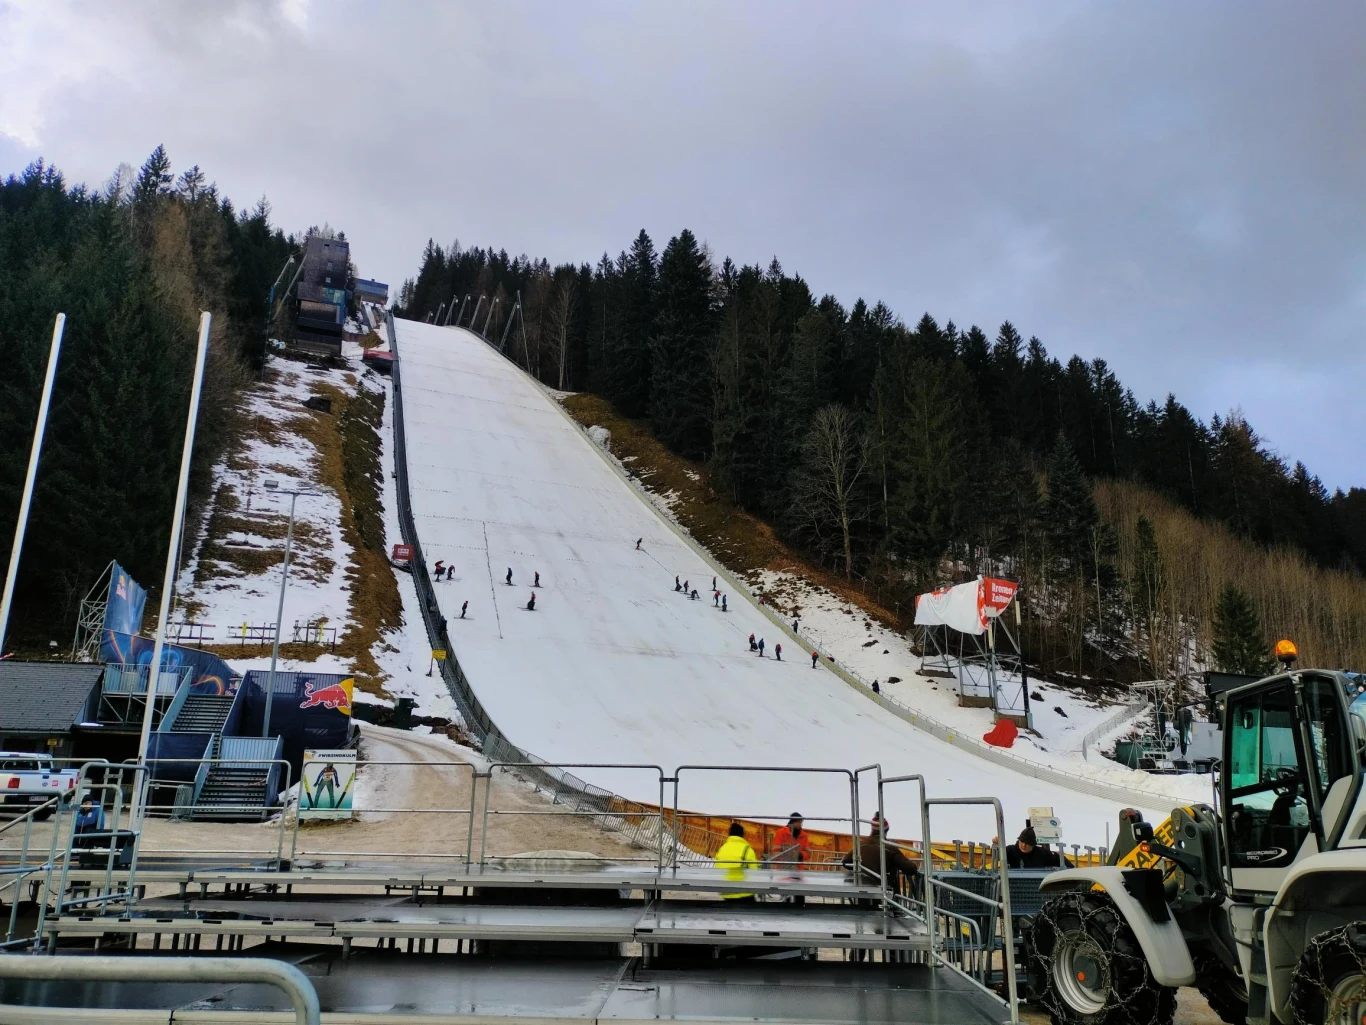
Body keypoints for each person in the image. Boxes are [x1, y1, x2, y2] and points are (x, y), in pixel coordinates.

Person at [843, 813, 920, 896]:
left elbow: (845, 862)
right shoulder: (889, 848)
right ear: (885, 831)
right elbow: (910, 869)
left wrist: (861, 869)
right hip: (884, 891)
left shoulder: (861, 845)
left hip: (862, 890)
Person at [713, 822, 760, 900]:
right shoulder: (747, 849)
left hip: (726, 893)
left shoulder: (722, 849)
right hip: (744, 893)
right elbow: (755, 872)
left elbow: (718, 868)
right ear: (742, 835)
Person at [1005, 826, 1072, 869]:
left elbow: (1059, 858)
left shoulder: (1041, 853)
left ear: (1033, 845)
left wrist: (1072, 870)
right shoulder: (1011, 851)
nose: (1023, 845)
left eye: (1027, 843)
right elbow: (999, 855)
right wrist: (997, 845)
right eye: (1022, 841)